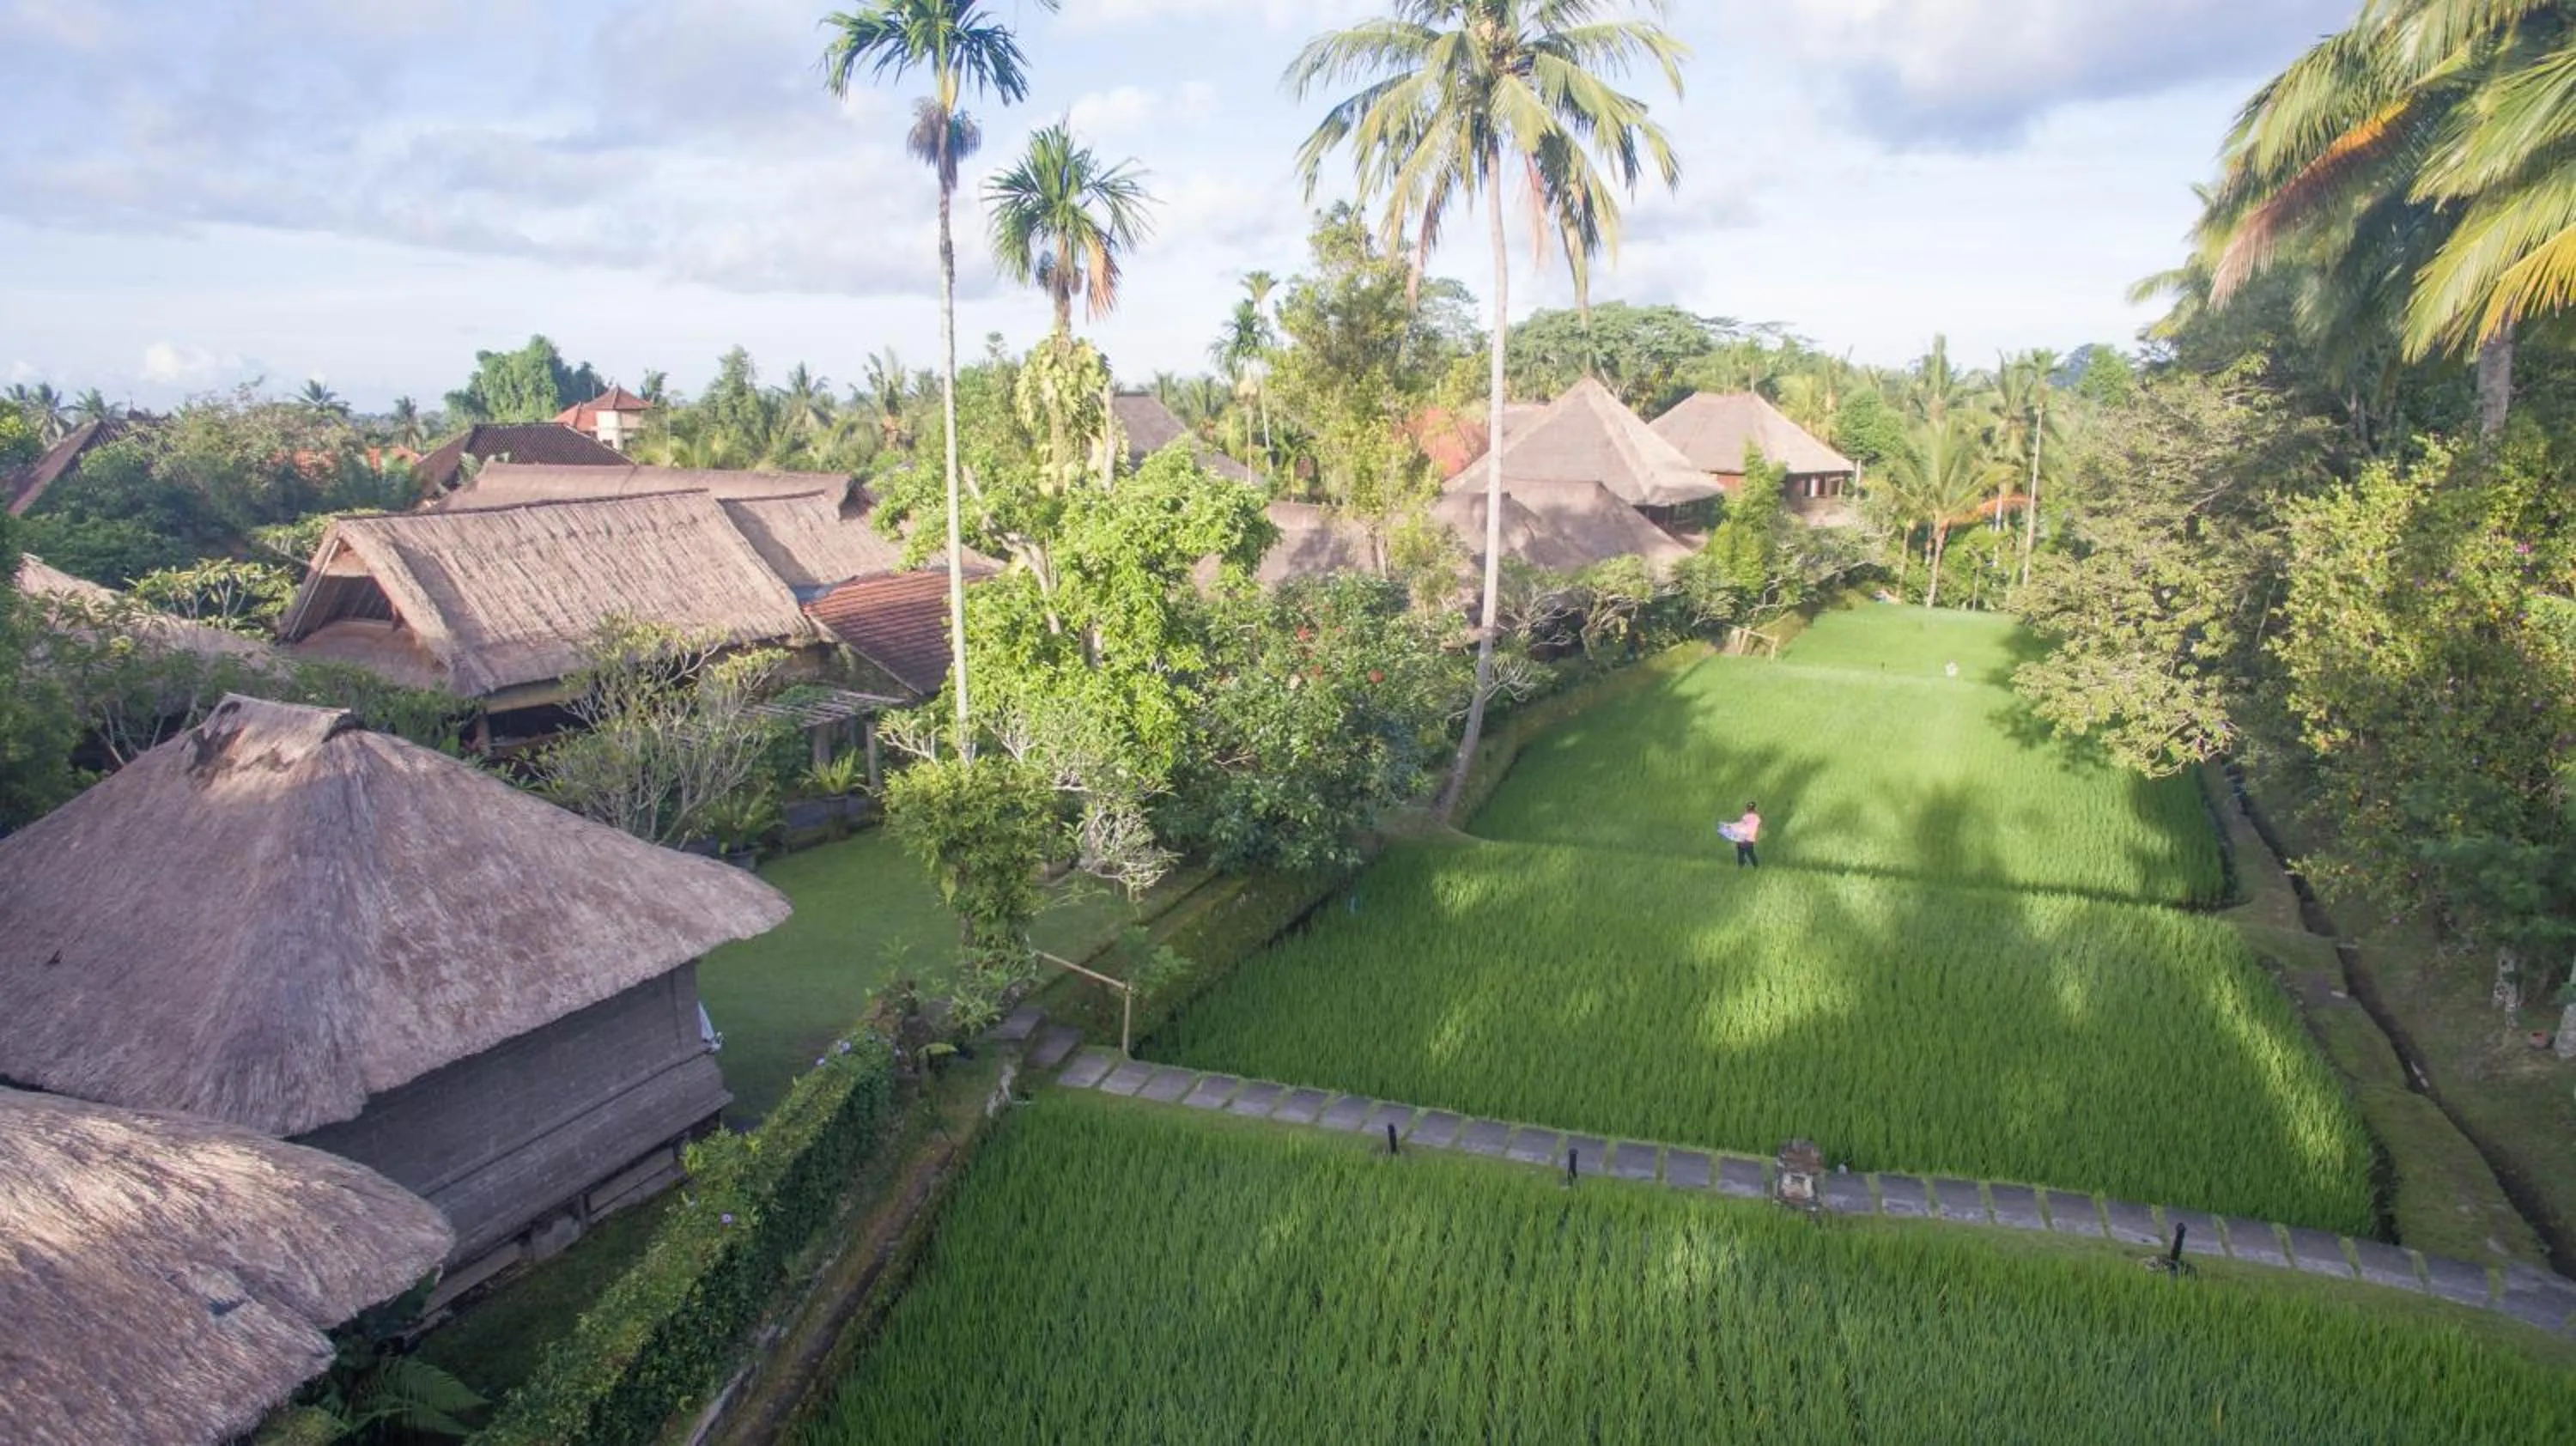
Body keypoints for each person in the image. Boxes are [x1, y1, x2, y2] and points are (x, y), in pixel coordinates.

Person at [1723, 802, 1761, 869]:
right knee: (1751, 853)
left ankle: (1741, 867)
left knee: (1741, 853)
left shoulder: (1745, 817)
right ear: (1755, 808)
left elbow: (1741, 825)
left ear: (1747, 809)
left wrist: (1730, 826)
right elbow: (1756, 826)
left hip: (1742, 837)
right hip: (1750, 838)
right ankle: (1756, 867)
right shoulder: (1757, 818)